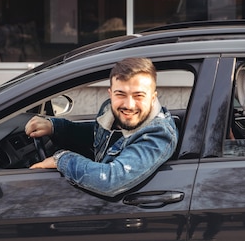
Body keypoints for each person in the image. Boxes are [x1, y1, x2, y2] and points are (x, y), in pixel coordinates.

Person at [25, 57, 178, 197]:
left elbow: (110, 180)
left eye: (139, 96)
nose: (129, 105)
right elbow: (97, 133)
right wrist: (56, 127)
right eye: (120, 94)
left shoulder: (157, 133)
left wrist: (61, 159)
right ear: (110, 94)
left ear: (153, 98)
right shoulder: (110, 110)